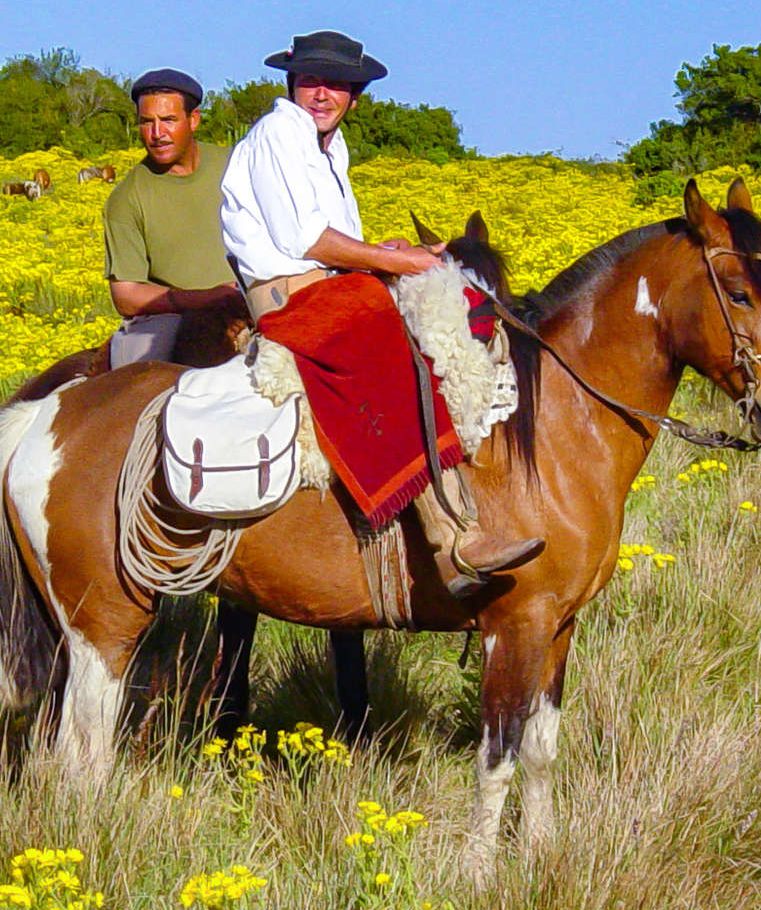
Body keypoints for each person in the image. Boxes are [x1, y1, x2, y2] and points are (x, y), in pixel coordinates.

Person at [220, 31, 542, 595]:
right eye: (313, 81)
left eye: (337, 84)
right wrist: (398, 262)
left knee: (456, 318)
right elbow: (307, 239)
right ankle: (449, 539)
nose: (323, 94)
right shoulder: (280, 131)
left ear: (354, 95)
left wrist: (389, 252)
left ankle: (483, 495)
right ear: (293, 83)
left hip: (325, 283)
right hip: (287, 294)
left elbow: (337, 241)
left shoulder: (329, 149)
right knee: (392, 350)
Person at [103, 68, 240, 367]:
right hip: (171, 319)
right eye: (146, 122)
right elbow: (126, 296)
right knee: (137, 387)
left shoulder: (237, 165)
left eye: (168, 120)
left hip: (250, 303)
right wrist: (207, 298)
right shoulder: (126, 198)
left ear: (193, 120)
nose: (156, 134)